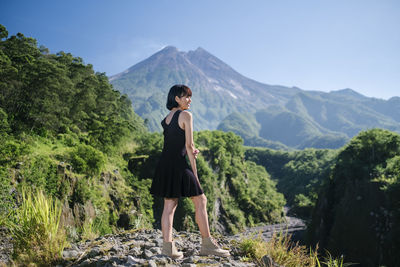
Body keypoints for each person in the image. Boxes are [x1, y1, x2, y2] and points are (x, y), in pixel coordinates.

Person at [150, 84, 230, 259]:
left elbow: (175, 144)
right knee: (201, 200)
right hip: (178, 164)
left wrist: (189, 151)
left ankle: (168, 248)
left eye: (189, 96)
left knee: (169, 206)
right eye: (186, 96)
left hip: (164, 164)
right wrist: (195, 174)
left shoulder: (166, 118)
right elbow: (189, 145)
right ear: (177, 98)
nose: (189, 100)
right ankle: (208, 245)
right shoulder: (186, 115)